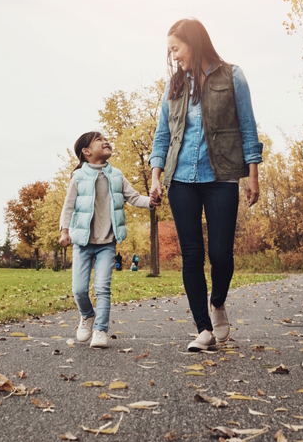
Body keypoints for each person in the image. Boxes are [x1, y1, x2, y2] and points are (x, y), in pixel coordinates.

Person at [149, 18, 263, 352]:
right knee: (192, 256)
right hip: (181, 179)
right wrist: (157, 177)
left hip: (221, 176)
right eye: (170, 50)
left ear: (193, 42)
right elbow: (162, 136)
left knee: (221, 255)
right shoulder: (173, 86)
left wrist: (253, 175)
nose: (173, 56)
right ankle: (203, 328)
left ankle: (218, 303)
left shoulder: (232, 76)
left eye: (176, 48)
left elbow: (248, 127)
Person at [60, 131, 159, 348]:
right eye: (99, 140)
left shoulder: (116, 175)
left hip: (107, 243)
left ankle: (100, 330)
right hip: (83, 243)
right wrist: (64, 231)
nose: (106, 142)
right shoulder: (78, 177)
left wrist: (150, 201)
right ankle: (87, 316)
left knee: (103, 287)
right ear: (86, 151)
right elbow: (68, 206)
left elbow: (133, 197)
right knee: (79, 289)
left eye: (106, 139)